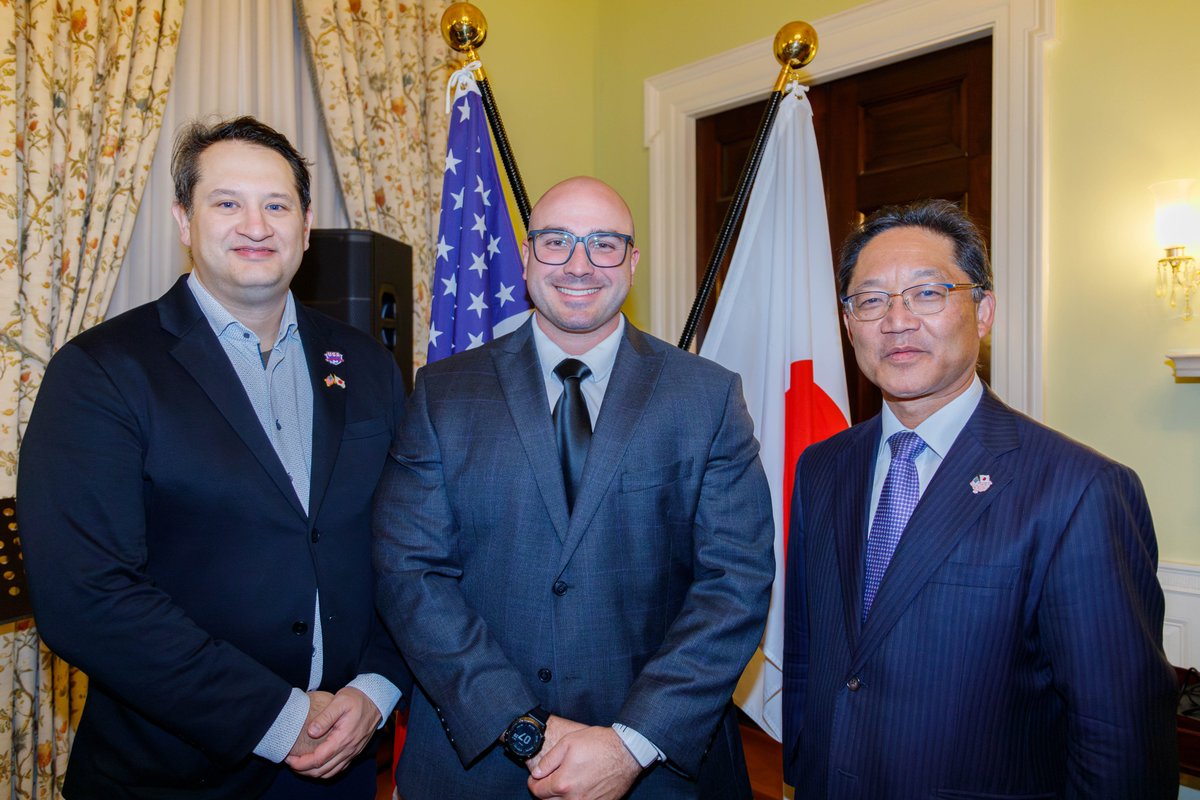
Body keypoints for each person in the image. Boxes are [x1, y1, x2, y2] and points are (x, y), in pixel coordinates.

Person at [18, 116, 408, 799]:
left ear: (306, 225)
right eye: (227, 202)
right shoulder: (101, 372)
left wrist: (376, 685)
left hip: (341, 764)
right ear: (183, 219)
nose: (255, 225)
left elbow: (406, 546)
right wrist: (280, 718)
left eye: (277, 205)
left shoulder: (370, 365)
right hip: (174, 772)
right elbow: (87, 596)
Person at [373, 176, 775, 799]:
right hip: (476, 761)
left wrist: (630, 743)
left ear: (633, 262)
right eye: (557, 241)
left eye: (604, 244)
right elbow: (410, 573)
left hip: (656, 769)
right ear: (527, 258)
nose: (580, 264)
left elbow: (735, 583)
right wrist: (521, 725)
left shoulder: (707, 396)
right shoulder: (443, 394)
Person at [781, 199, 1179, 797]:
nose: (897, 321)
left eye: (927, 292)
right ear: (848, 323)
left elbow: (1118, 739)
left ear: (983, 310)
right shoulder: (823, 467)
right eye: (870, 300)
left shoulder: (1079, 490)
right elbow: (812, 653)